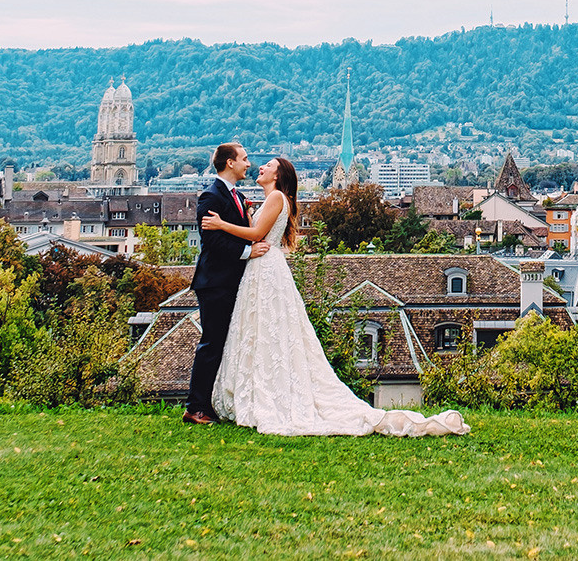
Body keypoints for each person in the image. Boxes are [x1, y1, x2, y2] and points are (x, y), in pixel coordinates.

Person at [203, 155, 470, 436]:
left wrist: (221, 224)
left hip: (265, 268)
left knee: (266, 328)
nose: (261, 167)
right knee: (267, 329)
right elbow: (259, 233)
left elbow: (256, 233)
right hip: (264, 266)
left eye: (268, 165)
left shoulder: (276, 198)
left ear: (278, 175)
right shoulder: (275, 199)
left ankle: (263, 392)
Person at [182, 143, 269, 426]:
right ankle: (195, 407)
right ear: (230, 163)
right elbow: (212, 240)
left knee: (227, 342)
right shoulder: (211, 195)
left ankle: (214, 402)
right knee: (212, 342)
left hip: (231, 280)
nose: (248, 163)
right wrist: (247, 252)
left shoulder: (237, 196)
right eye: (244, 159)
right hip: (215, 281)